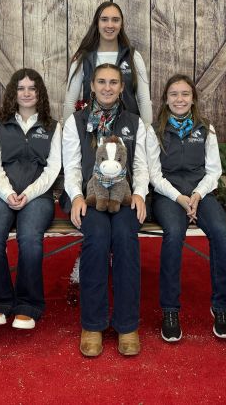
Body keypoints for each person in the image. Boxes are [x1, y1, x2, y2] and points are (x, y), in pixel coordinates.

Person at [62, 63, 149, 357]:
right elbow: (72, 167)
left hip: (123, 196)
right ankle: (93, 324)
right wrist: (75, 196)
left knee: (125, 236)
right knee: (97, 237)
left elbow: (141, 166)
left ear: (122, 87)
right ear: (93, 86)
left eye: (114, 82)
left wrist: (138, 194)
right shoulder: (76, 122)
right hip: (89, 197)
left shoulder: (134, 123)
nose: (108, 87)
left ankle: (127, 325)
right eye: (102, 81)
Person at [146, 74, 226, 342]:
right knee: (174, 233)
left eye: (185, 94)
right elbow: (153, 174)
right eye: (174, 94)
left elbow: (214, 171)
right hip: (168, 195)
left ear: (193, 98)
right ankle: (170, 310)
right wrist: (179, 198)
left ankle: (221, 306)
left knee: (220, 232)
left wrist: (196, 195)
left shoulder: (206, 129)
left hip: (200, 193)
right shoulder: (154, 130)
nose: (180, 99)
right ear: (165, 99)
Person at [0, 68, 62, 329]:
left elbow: (53, 168)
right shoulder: (0, 126)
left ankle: (28, 305)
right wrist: (7, 193)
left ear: (40, 93)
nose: (26, 93)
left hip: (37, 197)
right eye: (21, 88)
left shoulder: (52, 127)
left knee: (30, 241)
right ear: (13, 93)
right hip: (1, 195)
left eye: (32, 88)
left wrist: (28, 194)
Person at [63, 1, 152, 124]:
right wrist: (69, 133)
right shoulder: (82, 58)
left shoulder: (133, 57)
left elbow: (143, 99)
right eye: (104, 19)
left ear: (121, 24)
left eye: (115, 20)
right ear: (97, 23)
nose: (110, 25)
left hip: (127, 132)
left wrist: (147, 131)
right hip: (91, 132)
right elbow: (70, 101)